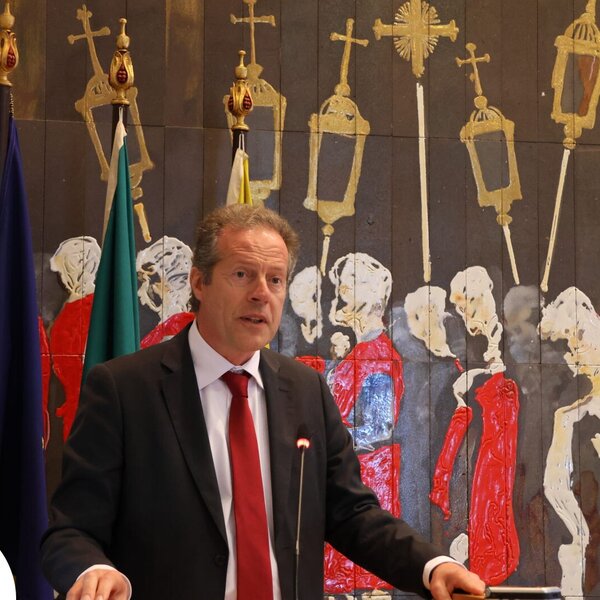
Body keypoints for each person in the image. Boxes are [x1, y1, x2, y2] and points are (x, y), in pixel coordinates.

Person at [41, 204, 485, 600]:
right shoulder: (124, 389)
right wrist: (95, 570)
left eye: (275, 279)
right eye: (242, 274)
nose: (261, 293)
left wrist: (431, 566)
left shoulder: (306, 390)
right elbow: (71, 529)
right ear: (199, 282)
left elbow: (352, 513)